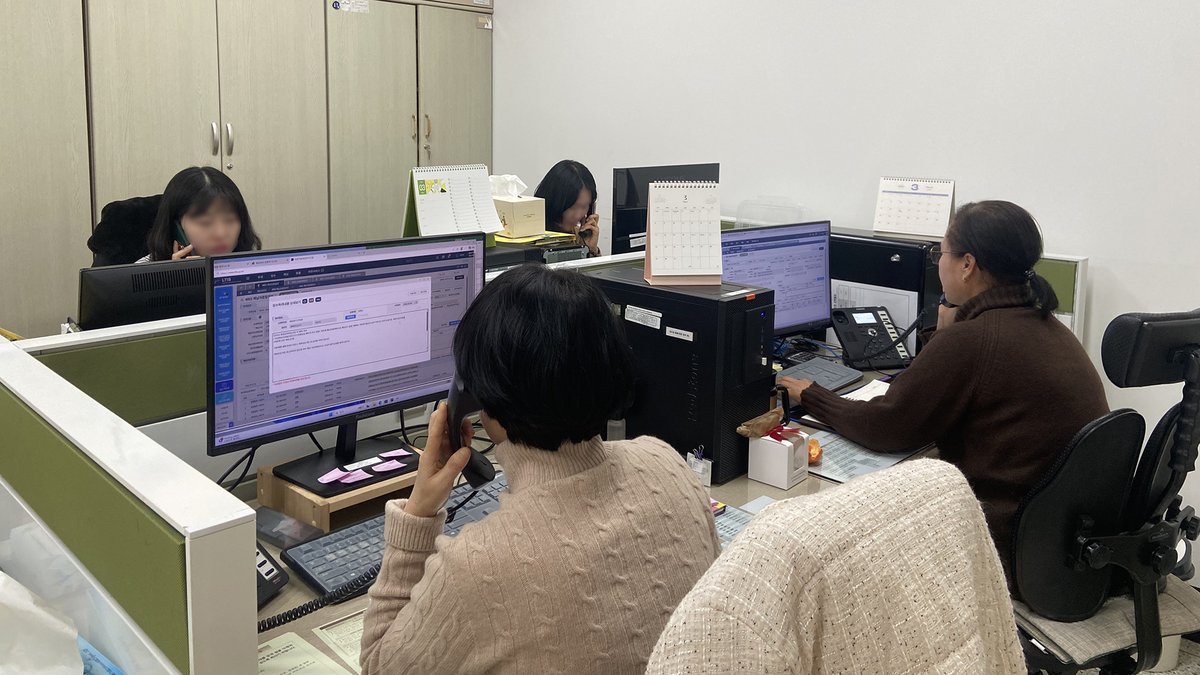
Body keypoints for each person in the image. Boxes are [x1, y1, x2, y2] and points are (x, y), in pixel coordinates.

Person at [359, 264, 720, 674]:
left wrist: (418, 515)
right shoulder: (667, 464)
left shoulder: (476, 567)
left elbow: (379, 666)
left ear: (474, 392)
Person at [779, 200, 1108, 584]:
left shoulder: (975, 339)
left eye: (941, 253)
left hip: (1005, 544)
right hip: (1060, 542)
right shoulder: (1045, 325)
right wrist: (947, 335)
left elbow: (887, 426)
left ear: (967, 264)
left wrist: (812, 395)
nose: (938, 264)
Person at [136, 167, 260, 263]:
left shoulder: (252, 265)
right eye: (205, 222)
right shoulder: (142, 273)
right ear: (177, 227)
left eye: (230, 220)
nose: (220, 234)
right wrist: (177, 278)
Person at [534, 159, 601, 256]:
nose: (578, 215)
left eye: (584, 206)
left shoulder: (578, 236)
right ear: (556, 202)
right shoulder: (530, 236)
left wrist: (591, 250)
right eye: (573, 207)